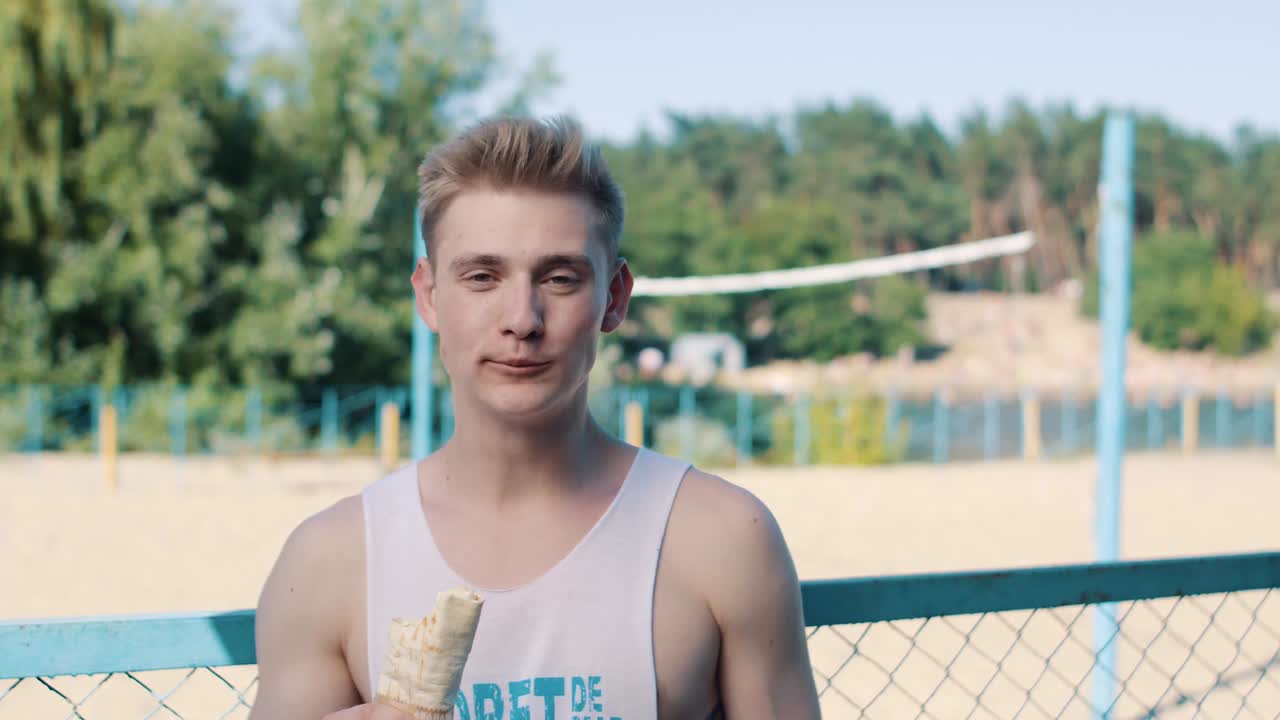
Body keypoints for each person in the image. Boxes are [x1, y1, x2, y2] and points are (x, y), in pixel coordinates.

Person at [248, 116, 821, 720]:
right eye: (482, 277)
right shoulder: (331, 561)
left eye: (560, 278)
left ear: (614, 297)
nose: (522, 319)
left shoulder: (723, 537)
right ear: (429, 296)